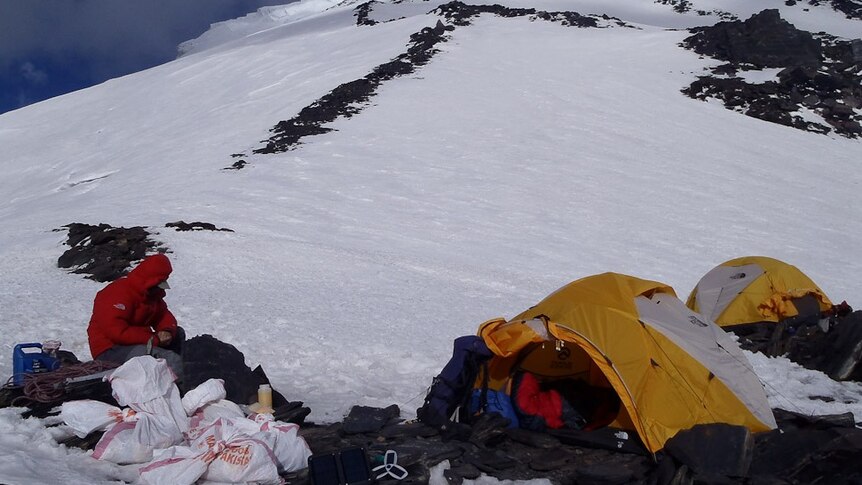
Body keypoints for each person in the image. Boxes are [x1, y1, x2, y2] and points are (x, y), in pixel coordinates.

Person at [87, 253, 184, 382]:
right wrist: (153, 339)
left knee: (177, 333)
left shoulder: (151, 294)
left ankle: (173, 373)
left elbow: (164, 315)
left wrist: (167, 330)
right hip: (109, 350)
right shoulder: (116, 293)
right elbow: (116, 332)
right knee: (166, 358)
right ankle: (182, 385)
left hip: (137, 343)